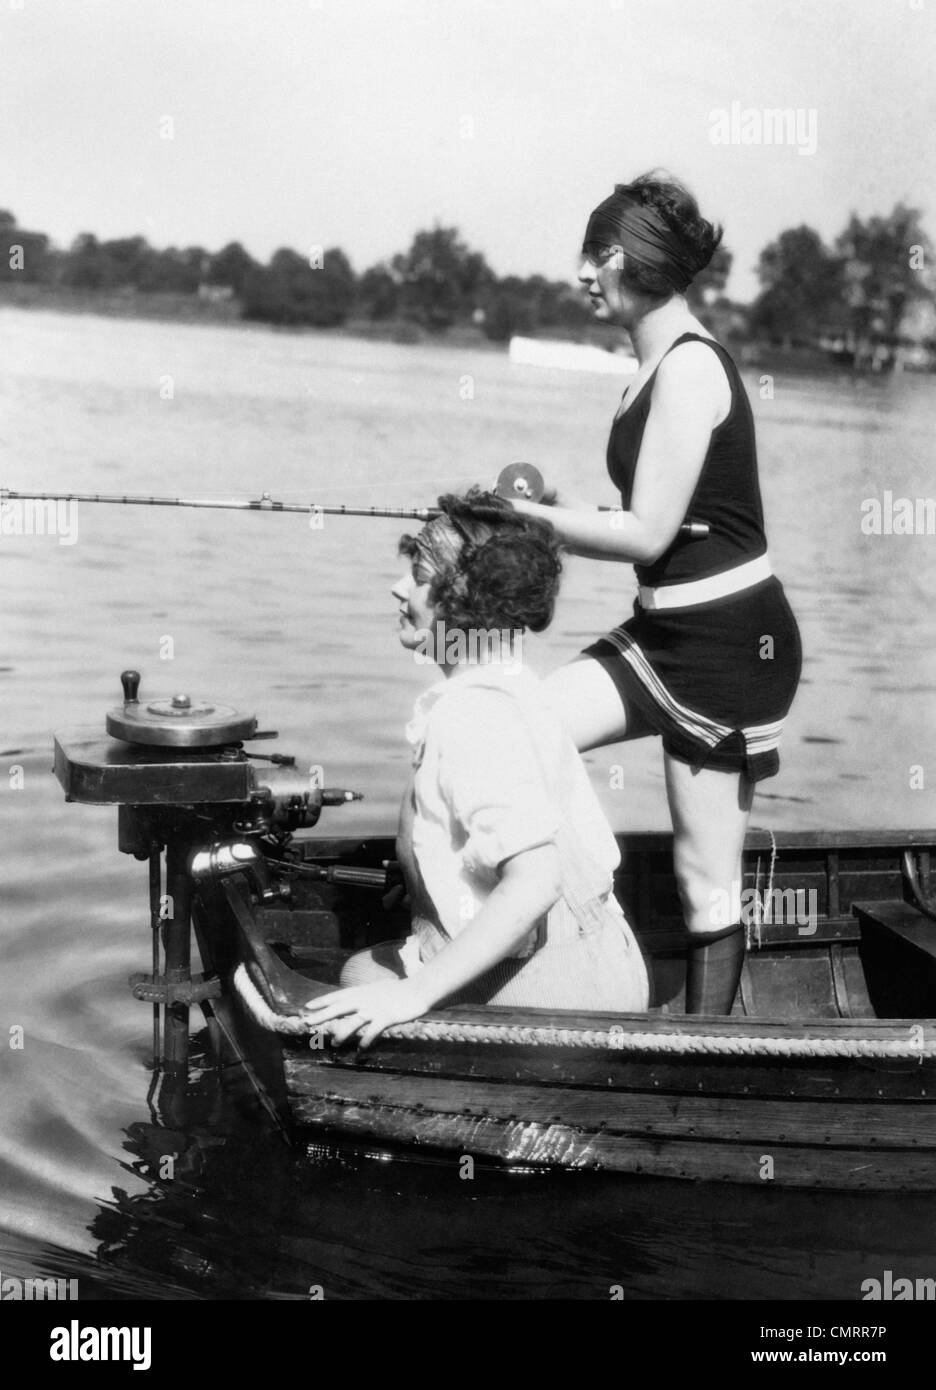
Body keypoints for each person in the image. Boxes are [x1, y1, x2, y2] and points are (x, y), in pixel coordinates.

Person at [508, 172, 802, 1015]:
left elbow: (647, 535)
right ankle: (551, 926)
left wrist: (533, 519)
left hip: (729, 650)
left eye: (592, 255)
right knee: (525, 728)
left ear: (626, 257)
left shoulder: (687, 370)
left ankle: (705, 1064)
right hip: (660, 638)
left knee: (704, 882)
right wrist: (555, 513)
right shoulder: (647, 366)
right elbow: (659, 516)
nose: (582, 274)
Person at [302, 490, 649, 1048]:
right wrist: (429, 879)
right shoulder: (517, 686)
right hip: (607, 960)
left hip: (565, 996)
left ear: (460, 598)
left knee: (360, 978)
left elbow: (537, 879)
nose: (399, 589)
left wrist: (410, 995)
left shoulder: (470, 712)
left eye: (417, 575)